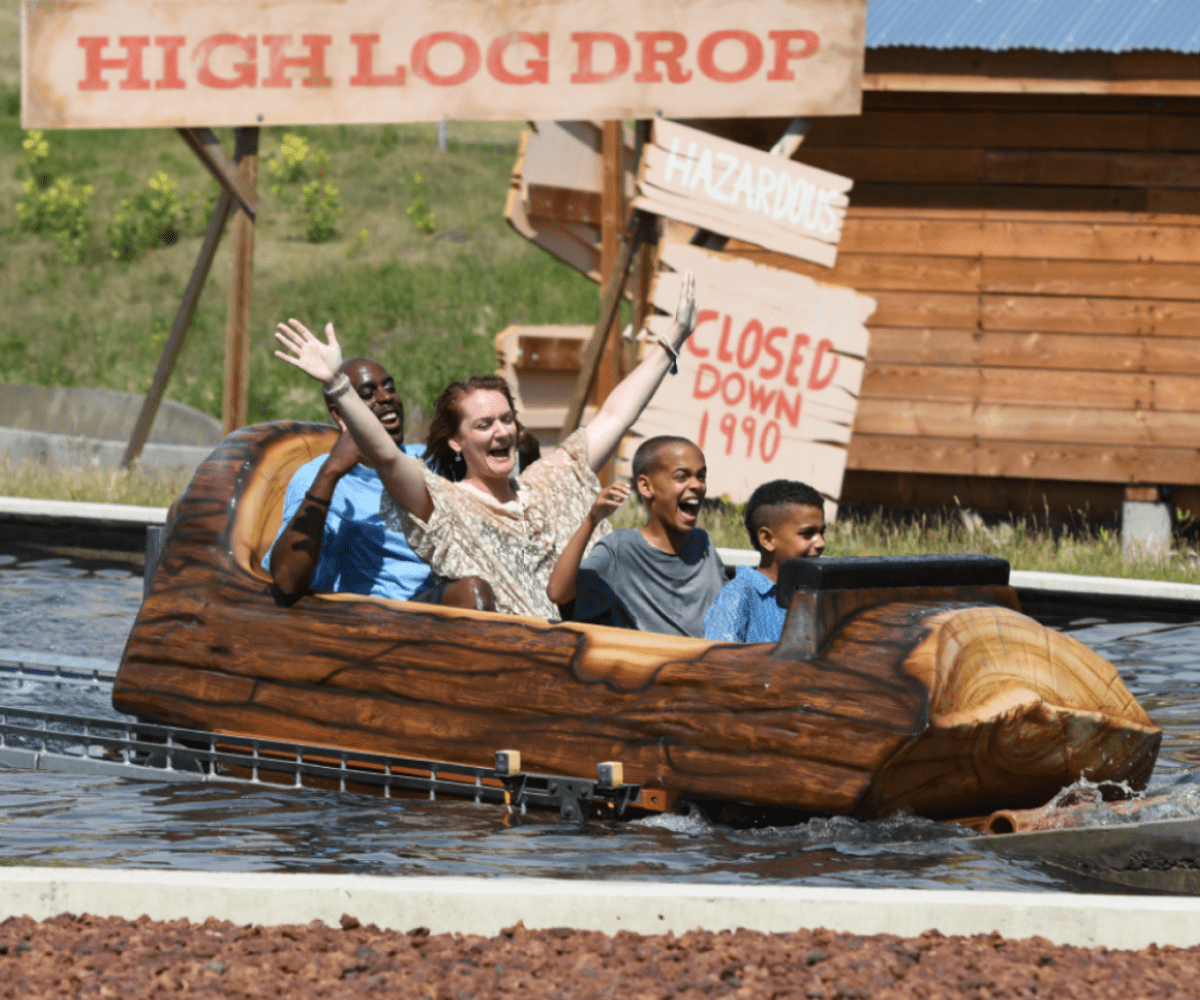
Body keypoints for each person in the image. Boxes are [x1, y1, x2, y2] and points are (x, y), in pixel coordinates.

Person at [272, 273, 699, 621]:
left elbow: (614, 417)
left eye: (507, 420)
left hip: (584, 646)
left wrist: (672, 340)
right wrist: (338, 385)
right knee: (472, 594)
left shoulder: (548, 482)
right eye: (484, 424)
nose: (501, 432)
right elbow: (385, 457)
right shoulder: (444, 502)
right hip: (480, 649)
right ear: (457, 441)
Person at [265, 356, 495, 611]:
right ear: (340, 414)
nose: (387, 398)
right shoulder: (320, 477)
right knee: (472, 594)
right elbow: (286, 579)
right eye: (368, 393)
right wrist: (331, 472)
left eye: (390, 387)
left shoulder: (427, 459)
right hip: (386, 618)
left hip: (448, 588)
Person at [558, 436, 726, 637]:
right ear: (646, 487)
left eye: (701, 476)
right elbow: (559, 593)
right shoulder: (619, 549)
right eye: (681, 477)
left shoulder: (702, 543)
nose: (697, 485)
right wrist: (591, 520)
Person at [703, 479, 826, 643]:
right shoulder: (739, 595)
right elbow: (719, 662)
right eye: (807, 534)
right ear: (767, 539)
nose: (821, 543)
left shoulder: (815, 594)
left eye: (821, 532)